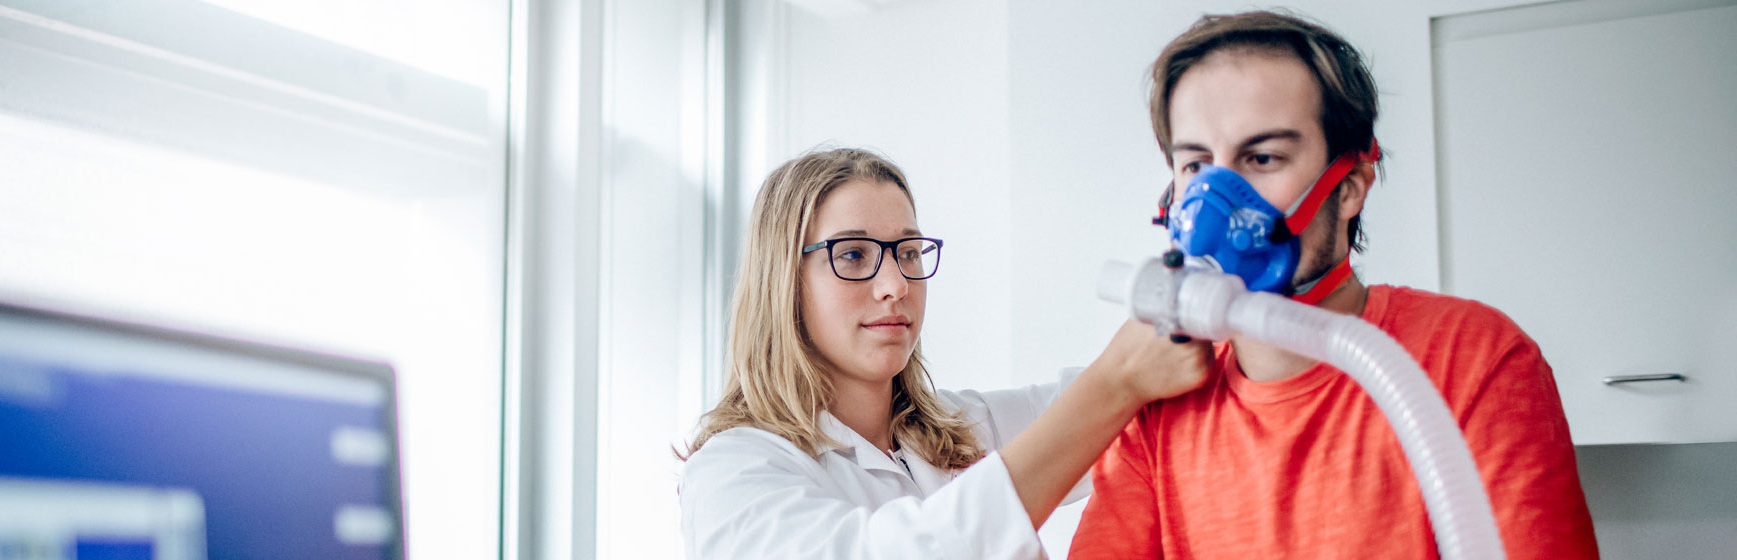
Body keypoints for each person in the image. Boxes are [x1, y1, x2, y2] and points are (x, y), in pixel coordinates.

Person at [1066, 10, 1598, 559]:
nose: (1213, 206)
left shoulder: (1473, 359)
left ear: (1348, 187)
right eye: (1196, 166)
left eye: (1263, 157)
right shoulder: (1157, 404)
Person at [678, 147, 1211, 559]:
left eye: (908, 252)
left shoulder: (960, 428)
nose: (895, 284)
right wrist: (1115, 383)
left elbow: (1121, 406)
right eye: (854, 254)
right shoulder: (733, 472)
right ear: (783, 282)